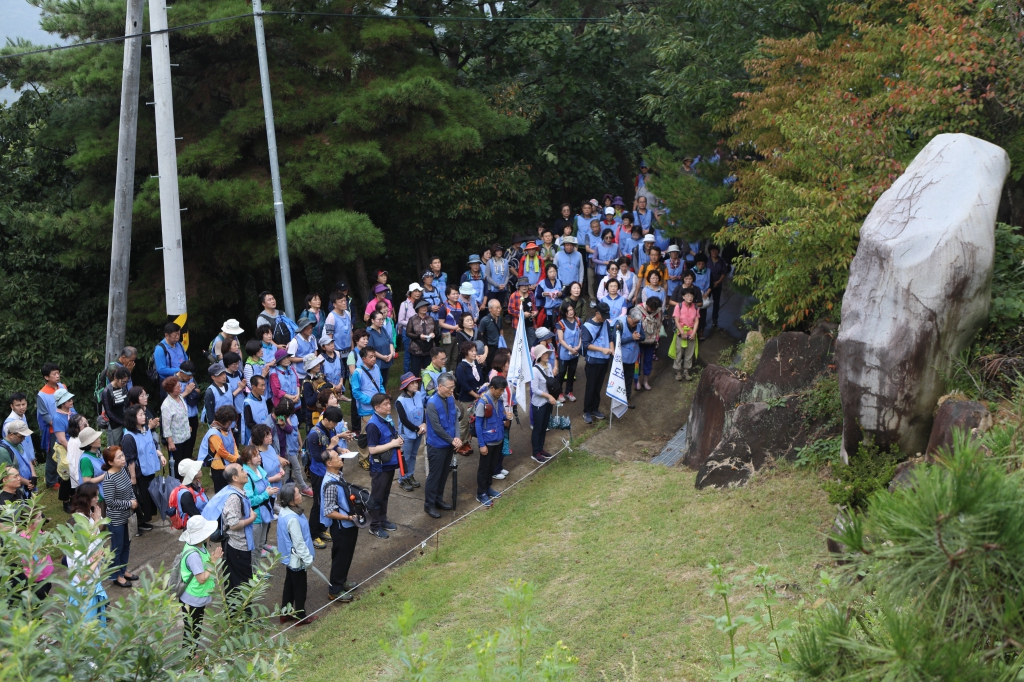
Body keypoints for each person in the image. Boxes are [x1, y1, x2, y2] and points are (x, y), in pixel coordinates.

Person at [318, 442, 358, 602]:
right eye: (337, 457)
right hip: (341, 526)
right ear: (329, 463)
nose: (341, 458)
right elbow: (328, 511)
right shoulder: (329, 484)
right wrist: (348, 518)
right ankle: (335, 589)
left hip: (349, 523)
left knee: (347, 554)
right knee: (340, 556)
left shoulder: (338, 475)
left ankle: (342, 581)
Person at [177, 514, 222, 651]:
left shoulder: (198, 546)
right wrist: (213, 561)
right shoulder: (193, 555)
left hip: (195, 596)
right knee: (192, 631)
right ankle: (188, 661)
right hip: (192, 599)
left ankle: (191, 656)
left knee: (194, 629)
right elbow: (201, 578)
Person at [211, 463, 258, 592]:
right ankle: (241, 612)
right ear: (235, 478)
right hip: (236, 547)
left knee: (239, 583)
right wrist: (252, 519)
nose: (246, 472)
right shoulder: (233, 497)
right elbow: (234, 524)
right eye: (242, 471)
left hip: (240, 546)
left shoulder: (237, 492)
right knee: (240, 586)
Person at [121, 403, 166, 534]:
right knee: (140, 498)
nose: (144, 417)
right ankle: (138, 524)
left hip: (149, 470)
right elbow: (130, 459)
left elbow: (153, 445)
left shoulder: (145, 430)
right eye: (140, 415)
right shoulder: (129, 437)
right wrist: (133, 478)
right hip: (138, 473)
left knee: (148, 496)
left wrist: (161, 455)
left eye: (143, 414)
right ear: (133, 418)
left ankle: (145, 519)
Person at [276, 482, 317, 625]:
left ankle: (285, 613)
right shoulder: (292, 519)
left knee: (290, 584)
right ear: (291, 500)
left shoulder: (285, 511)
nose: (300, 495)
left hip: (288, 558)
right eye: (298, 493)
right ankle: (301, 615)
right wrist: (308, 559)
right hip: (297, 559)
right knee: (300, 587)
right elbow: (299, 543)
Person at [306, 405, 345, 550]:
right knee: (317, 504)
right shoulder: (314, 434)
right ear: (326, 419)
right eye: (333, 423)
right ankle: (313, 533)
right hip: (318, 473)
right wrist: (332, 445)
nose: (335, 426)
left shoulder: (330, 429)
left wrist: (340, 449)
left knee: (328, 502)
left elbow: (333, 448)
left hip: (330, 471)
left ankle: (322, 529)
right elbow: (317, 457)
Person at [423, 373, 461, 518]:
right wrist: (452, 440)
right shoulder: (432, 403)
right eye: (450, 387)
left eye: (453, 387)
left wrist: (457, 437)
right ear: (440, 386)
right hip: (437, 446)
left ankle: (438, 500)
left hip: (449, 443)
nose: (452, 390)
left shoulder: (450, 398)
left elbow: (455, 419)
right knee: (435, 476)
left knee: (445, 474)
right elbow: (437, 427)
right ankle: (429, 505)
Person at [365, 393, 402, 539]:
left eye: (389, 403)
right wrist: (392, 444)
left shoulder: (387, 419)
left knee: (385, 495)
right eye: (385, 404)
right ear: (376, 407)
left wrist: (397, 440)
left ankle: (382, 519)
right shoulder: (373, 425)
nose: (389, 406)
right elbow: (372, 449)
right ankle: (374, 526)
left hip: (389, 464)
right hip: (379, 467)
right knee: (377, 497)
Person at [101, 445, 138, 588]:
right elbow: (110, 502)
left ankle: (123, 570)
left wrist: (133, 500)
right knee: (117, 548)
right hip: (116, 519)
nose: (123, 459)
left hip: (127, 515)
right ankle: (116, 576)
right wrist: (129, 503)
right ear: (110, 462)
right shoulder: (109, 478)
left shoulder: (123, 470)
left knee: (127, 545)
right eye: (119, 457)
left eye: (122, 455)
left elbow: (130, 488)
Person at [239, 446, 278, 564]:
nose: (259, 457)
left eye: (259, 455)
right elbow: (249, 500)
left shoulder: (259, 469)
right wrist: (267, 494)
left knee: (261, 544)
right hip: (255, 517)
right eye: (256, 456)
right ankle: (253, 574)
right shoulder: (246, 475)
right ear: (248, 460)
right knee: (254, 547)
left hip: (264, 512)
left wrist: (269, 489)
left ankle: (257, 570)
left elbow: (264, 485)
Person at [474, 376, 507, 508]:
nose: (501, 392)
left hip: (498, 439)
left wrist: (506, 416)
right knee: (484, 468)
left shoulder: (499, 399)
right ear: (492, 388)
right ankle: (480, 493)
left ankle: (488, 488)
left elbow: (499, 415)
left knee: (492, 467)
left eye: (503, 390)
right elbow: (478, 424)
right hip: (487, 442)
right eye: (500, 390)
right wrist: (482, 444)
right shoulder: (482, 402)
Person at [351, 346, 384, 467]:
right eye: (371, 357)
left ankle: (375, 454)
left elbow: (380, 384)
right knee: (365, 434)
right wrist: (372, 401)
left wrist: (383, 398)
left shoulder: (377, 368)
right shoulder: (357, 373)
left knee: (379, 431)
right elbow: (356, 392)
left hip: (379, 407)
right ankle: (363, 458)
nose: (374, 359)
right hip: (366, 409)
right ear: (363, 359)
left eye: (374, 356)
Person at [581, 302, 614, 424]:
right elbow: (586, 345)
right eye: (603, 315)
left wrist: (612, 350)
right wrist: (602, 350)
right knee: (591, 387)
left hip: (604, 361)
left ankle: (595, 409)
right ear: (597, 313)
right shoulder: (587, 326)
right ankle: (587, 411)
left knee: (598, 386)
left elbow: (610, 337)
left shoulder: (605, 323)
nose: (605, 318)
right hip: (593, 361)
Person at [36, 363, 67, 487]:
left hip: (66, 424)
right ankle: (51, 481)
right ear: (46, 377)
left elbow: (69, 404)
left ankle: (63, 476)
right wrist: (57, 425)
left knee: (65, 451)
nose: (57, 376)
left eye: (58, 373)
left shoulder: (63, 387)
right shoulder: (42, 394)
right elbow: (44, 414)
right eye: (54, 374)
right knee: (53, 455)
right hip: (52, 429)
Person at [394, 373, 425, 493]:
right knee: (405, 457)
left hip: (419, 432)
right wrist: (417, 429)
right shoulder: (400, 401)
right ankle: (402, 478)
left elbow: (423, 411)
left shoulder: (418, 395)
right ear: (406, 386)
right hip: (407, 433)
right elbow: (404, 420)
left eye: (416, 382)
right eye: (412, 383)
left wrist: (424, 424)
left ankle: (410, 475)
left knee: (413, 455)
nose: (415, 384)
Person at [455, 342, 486, 456]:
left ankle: (467, 442)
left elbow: (481, 378)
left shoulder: (476, 363)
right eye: (471, 351)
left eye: (475, 350)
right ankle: (460, 444)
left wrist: (481, 391)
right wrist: (476, 395)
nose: (474, 353)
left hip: (478, 397)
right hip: (467, 399)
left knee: (472, 422)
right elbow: (464, 385)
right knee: (464, 423)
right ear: (465, 352)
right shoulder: (461, 367)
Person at [529, 345, 558, 463]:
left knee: (544, 427)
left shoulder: (549, 366)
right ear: (539, 356)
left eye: (547, 353)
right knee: (538, 428)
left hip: (548, 403)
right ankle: (535, 452)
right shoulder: (535, 370)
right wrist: (549, 396)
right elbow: (534, 389)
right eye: (544, 354)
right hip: (539, 404)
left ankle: (541, 449)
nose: (547, 356)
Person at [615, 308, 646, 408]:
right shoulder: (620, 323)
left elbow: (643, 337)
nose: (636, 324)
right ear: (629, 317)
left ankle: (627, 399)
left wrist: (639, 337)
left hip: (632, 358)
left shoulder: (639, 324)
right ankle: (615, 401)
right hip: (619, 359)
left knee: (628, 380)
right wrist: (631, 338)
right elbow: (615, 340)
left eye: (637, 322)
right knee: (617, 380)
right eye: (634, 322)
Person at [161, 376, 193, 471]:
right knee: (177, 464)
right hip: (176, 440)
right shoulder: (166, 405)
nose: (180, 388)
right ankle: (176, 483)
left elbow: (183, 413)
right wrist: (170, 442)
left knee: (186, 460)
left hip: (186, 435)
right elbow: (165, 426)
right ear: (170, 390)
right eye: (177, 387)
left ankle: (186, 481)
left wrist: (188, 425)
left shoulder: (180, 397)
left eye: (180, 386)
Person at [205, 405, 239, 493]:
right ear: (223, 421)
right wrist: (236, 459)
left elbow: (233, 443)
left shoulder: (227, 428)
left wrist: (237, 456)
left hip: (231, 464)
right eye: (229, 422)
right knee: (222, 492)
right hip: (219, 468)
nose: (230, 425)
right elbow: (222, 452)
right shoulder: (214, 433)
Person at [0, 419, 36, 497]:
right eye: (21, 436)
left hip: (28, 485)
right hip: (17, 490)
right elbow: (9, 475)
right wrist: (27, 482)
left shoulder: (18, 443)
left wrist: (33, 475)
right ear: (11, 435)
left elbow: (27, 460)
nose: (23, 439)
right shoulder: (3, 451)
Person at [3, 393, 35, 483]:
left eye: (23, 404)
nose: (21, 407)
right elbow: (10, 445)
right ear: (12, 406)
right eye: (18, 405)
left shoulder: (23, 416)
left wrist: (31, 456)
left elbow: (28, 439)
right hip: (18, 462)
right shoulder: (9, 424)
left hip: (27, 459)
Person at [556, 301, 582, 402]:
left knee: (572, 373)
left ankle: (569, 391)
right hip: (565, 353)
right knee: (561, 373)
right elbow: (561, 340)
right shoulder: (560, 324)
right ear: (564, 312)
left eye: (571, 309)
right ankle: (559, 392)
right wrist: (571, 349)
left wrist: (578, 346)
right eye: (568, 310)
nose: (570, 312)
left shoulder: (578, 321)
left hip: (575, 353)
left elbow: (581, 335)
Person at [406, 298, 439, 377]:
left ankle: (428, 388)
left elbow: (437, 331)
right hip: (416, 349)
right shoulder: (412, 319)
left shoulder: (431, 319)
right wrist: (419, 336)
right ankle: (415, 388)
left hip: (429, 348)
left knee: (429, 371)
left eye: (425, 306)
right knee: (415, 371)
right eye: (421, 306)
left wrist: (434, 334)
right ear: (417, 308)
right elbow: (408, 333)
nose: (424, 308)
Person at [673, 287, 700, 381]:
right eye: (687, 295)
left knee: (689, 353)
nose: (690, 297)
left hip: (691, 332)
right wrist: (681, 332)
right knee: (679, 352)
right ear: (683, 297)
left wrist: (694, 332)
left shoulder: (696, 307)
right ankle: (678, 371)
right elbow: (676, 320)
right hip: (681, 332)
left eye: (691, 295)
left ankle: (686, 370)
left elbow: (696, 321)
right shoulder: (679, 306)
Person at [173, 459, 208, 527]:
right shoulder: (186, 494)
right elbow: (196, 516)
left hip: (203, 521)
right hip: (195, 527)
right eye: (196, 469)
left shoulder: (197, 485)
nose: (199, 469)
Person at [397, 283, 424, 375]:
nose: (418, 293)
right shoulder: (404, 304)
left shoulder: (421, 303)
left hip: (419, 332)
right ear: (410, 293)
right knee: (408, 354)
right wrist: (412, 324)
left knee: (420, 353)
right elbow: (400, 320)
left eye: (419, 291)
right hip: (408, 332)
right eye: (415, 291)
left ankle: (417, 374)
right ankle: (407, 376)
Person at [100, 367, 131, 445]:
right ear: (116, 378)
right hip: (115, 426)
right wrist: (122, 422)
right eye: (123, 382)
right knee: (115, 448)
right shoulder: (106, 392)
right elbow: (109, 412)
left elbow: (127, 404)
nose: (125, 384)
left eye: (126, 382)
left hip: (127, 422)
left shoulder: (123, 387)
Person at [366, 310, 396, 386]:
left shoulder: (383, 329)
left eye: (382, 319)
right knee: (377, 382)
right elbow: (370, 349)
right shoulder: (369, 332)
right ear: (372, 320)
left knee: (385, 381)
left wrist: (391, 353)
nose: (382, 321)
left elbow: (390, 342)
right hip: (377, 362)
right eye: (379, 319)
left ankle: (384, 395)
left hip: (387, 359)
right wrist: (383, 357)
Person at [72, 426, 104, 492]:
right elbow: (87, 481)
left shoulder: (97, 453)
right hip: (96, 496)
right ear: (90, 443)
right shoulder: (85, 460)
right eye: (97, 438)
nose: (99, 439)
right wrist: (107, 475)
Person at [439, 285, 464, 371]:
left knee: (455, 356)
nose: (456, 295)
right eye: (453, 294)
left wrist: (460, 326)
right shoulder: (444, 307)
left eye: (457, 293)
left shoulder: (460, 305)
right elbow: (441, 323)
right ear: (448, 295)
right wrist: (454, 327)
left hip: (458, 333)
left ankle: (452, 375)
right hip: (447, 334)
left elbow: (462, 318)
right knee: (446, 356)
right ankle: (445, 375)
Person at [325, 292, 354, 364]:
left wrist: (352, 348)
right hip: (337, 352)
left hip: (349, 351)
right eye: (341, 301)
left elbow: (350, 332)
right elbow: (329, 337)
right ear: (334, 305)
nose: (344, 303)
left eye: (345, 300)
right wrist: (333, 353)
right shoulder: (331, 316)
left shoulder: (347, 313)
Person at [508, 280, 538, 349]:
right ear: (519, 286)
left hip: (530, 324)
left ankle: (531, 359)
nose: (524, 287)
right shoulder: (514, 295)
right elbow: (510, 310)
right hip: (518, 325)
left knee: (532, 345)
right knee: (520, 346)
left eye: (526, 285)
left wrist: (535, 312)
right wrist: (522, 314)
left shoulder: (531, 294)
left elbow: (534, 307)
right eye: (522, 285)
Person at [477, 299, 504, 373]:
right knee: (490, 367)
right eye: (497, 308)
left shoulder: (499, 318)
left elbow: (501, 330)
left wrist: (502, 341)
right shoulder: (484, 320)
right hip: (489, 348)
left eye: (500, 307)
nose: (499, 310)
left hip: (498, 346)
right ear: (490, 309)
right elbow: (480, 335)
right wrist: (485, 346)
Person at [204, 362, 233, 426]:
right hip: (219, 425)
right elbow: (209, 411)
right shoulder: (210, 392)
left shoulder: (229, 386)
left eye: (224, 373)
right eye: (220, 375)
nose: (223, 377)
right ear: (213, 377)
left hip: (231, 422)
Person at [707, 244, 728, 330]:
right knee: (704, 301)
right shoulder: (707, 261)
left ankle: (714, 319)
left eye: (716, 250)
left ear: (718, 251)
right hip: (708, 285)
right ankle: (701, 319)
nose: (714, 252)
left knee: (716, 302)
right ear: (710, 252)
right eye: (712, 250)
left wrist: (718, 282)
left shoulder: (722, 261)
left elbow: (724, 272)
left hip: (717, 284)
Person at [583, 218, 604, 303]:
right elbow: (587, 249)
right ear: (591, 227)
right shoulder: (588, 235)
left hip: (601, 260)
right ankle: (592, 299)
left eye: (597, 226)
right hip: (591, 260)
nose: (595, 228)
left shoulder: (603, 235)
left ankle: (600, 298)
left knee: (599, 280)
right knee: (591, 281)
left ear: (599, 226)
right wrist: (597, 252)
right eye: (593, 227)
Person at [537, 264, 563, 330]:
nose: (552, 274)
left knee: (557, 329)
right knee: (546, 329)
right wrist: (543, 294)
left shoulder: (559, 282)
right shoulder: (542, 283)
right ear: (547, 273)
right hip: (547, 311)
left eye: (554, 271)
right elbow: (538, 295)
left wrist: (560, 294)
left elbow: (564, 295)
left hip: (558, 310)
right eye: (550, 272)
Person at [484, 243, 510, 308]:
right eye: (497, 251)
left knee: (499, 306)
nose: (499, 252)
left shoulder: (505, 261)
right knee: (492, 307)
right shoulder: (489, 262)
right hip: (492, 289)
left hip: (503, 288)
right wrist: (497, 285)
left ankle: (499, 318)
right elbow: (488, 277)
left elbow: (507, 275)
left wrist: (504, 285)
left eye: (500, 250)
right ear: (494, 252)